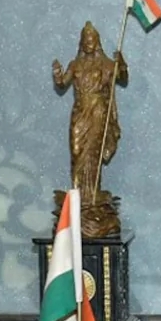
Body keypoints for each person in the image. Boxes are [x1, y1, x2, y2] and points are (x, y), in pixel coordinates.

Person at [52, 21, 127, 236]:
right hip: (80, 111)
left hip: (98, 111)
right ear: (82, 43)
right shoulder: (75, 64)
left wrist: (122, 64)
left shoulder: (106, 64)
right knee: (77, 151)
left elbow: (122, 78)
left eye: (92, 40)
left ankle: (90, 197)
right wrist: (57, 75)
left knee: (93, 154)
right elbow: (62, 83)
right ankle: (78, 196)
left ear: (97, 42)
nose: (89, 43)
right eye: (86, 40)